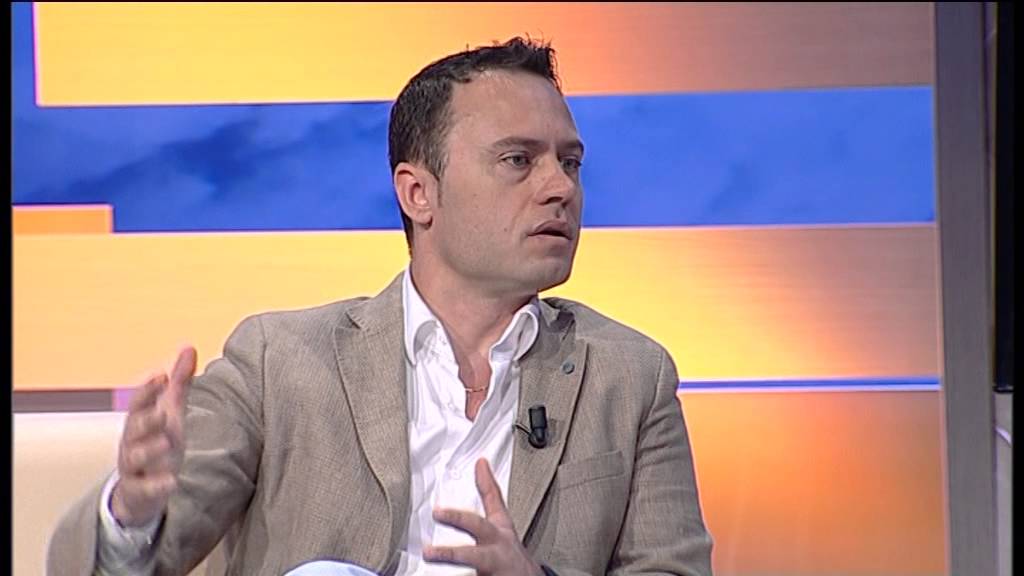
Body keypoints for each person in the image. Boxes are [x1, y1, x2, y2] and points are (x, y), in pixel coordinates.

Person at [47, 37, 713, 576]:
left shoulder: (630, 377)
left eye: (570, 163)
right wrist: (131, 512)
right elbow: (106, 564)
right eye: (518, 160)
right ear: (418, 194)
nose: (559, 188)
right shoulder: (278, 362)